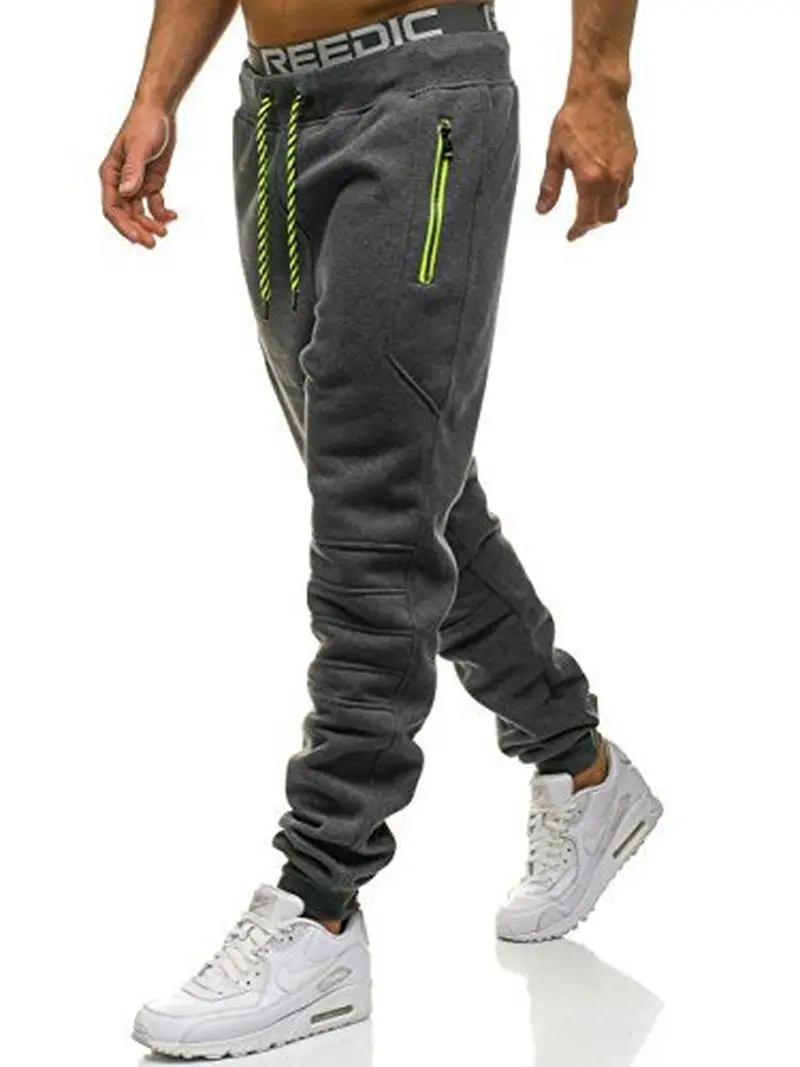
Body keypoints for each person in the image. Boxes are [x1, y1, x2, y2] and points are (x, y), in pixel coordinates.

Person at [100, 0, 662, 1059]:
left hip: (421, 95)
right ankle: (579, 764)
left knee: (373, 521)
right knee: (408, 498)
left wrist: (602, 81)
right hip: (275, 115)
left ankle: (319, 901)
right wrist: (155, 93)